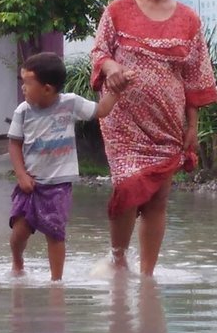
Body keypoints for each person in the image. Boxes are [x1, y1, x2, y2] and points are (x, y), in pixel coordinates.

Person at [90, 0, 217, 275]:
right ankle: (118, 258)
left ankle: (147, 275)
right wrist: (112, 68)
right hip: (123, 121)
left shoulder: (189, 20)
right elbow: (100, 53)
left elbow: (195, 78)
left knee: (158, 198)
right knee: (128, 187)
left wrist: (193, 128)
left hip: (168, 124)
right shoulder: (117, 10)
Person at [7, 50, 127, 279]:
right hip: (30, 183)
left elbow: (101, 111)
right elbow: (14, 144)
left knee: (55, 233)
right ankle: (17, 262)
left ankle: (56, 281)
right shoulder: (22, 111)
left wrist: (116, 91)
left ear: (47, 89)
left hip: (59, 185)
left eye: (27, 83)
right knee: (19, 232)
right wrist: (21, 175)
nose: (23, 88)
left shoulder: (70, 103)